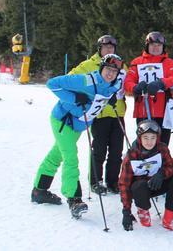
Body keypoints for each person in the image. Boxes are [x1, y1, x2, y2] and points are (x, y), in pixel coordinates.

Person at [31, 54, 123, 218]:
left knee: (56, 155)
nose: (110, 74)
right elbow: (52, 84)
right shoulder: (85, 80)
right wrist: (74, 97)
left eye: (114, 71)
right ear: (101, 68)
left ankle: (39, 190)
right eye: (108, 69)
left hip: (77, 126)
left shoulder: (110, 86)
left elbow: (101, 97)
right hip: (63, 121)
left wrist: (110, 99)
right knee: (70, 157)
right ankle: (74, 199)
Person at [68, 35, 126, 195]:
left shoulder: (120, 65)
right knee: (99, 150)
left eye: (112, 47)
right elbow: (71, 78)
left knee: (116, 150)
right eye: (105, 47)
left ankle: (113, 181)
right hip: (98, 115)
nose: (109, 49)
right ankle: (95, 181)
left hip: (117, 113)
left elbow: (126, 84)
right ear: (99, 49)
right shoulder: (88, 65)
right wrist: (84, 95)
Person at [118, 120, 173, 231]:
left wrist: (161, 174)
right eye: (146, 138)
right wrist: (126, 212)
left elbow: (172, 166)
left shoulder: (162, 148)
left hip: (158, 184)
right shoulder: (132, 155)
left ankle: (169, 217)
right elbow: (123, 184)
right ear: (140, 138)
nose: (149, 142)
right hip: (141, 190)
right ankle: (143, 212)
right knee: (139, 186)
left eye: (153, 138)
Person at [124, 31, 173, 145]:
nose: (156, 48)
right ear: (147, 46)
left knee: (163, 144)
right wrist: (136, 87)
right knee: (145, 145)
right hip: (143, 110)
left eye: (159, 45)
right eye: (153, 45)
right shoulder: (137, 62)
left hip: (163, 111)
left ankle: (163, 163)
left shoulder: (169, 62)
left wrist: (161, 83)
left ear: (163, 47)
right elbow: (128, 82)